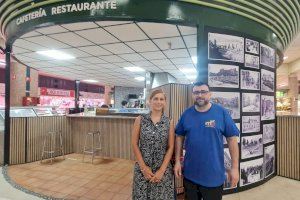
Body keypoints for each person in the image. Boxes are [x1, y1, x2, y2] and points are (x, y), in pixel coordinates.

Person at [174, 82, 239, 200]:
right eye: (196, 92)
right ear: (192, 95)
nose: (200, 95)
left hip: (213, 177)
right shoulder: (186, 114)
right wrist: (178, 161)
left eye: (203, 92)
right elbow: (179, 136)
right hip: (190, 176)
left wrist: (235, 168)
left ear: (210, 94)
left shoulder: (221, 112)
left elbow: (232, 139)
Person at [132, 89, 175, 200]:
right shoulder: (140, 120)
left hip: (163, 169)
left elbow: (170, 147)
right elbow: (134, 144)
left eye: (161, 99)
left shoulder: (169, 122)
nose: (158, 101)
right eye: (155, 98)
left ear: (165, 102)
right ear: (150, 101)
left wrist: (161, 171)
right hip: (143, 168)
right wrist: (143, 168)